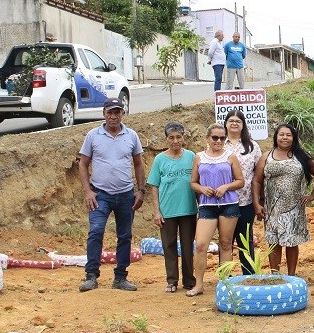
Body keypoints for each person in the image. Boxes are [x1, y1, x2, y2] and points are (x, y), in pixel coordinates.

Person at [77, 97, 145, 292]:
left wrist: (140, 190)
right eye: (110, 112)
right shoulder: (93, 135)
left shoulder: (131, 136)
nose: (113, 116)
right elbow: (83, 163)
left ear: (123, 114)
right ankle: (91, 276)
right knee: (96, 232)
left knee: (125, 236)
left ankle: (121, 277)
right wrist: (88, 191)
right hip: (100, 195)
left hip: (126, 195)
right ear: (104, 114)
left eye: (117, 112)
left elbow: (138, 163)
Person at [187, 124, 245, 297]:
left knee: (226, 244)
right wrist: (202, 189)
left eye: (222, 138)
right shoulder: (199, 157)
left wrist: (226, 186)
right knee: (201, 244)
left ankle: (225, 282)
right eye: (215, 138)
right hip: (207, 206)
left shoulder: (230, 156)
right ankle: (198, 284)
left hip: (228, 204)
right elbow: (193, 182)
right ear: (208, 138)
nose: (218, 141)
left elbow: (240, 181)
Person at [252, 123, 314, 275]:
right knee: (274, 242)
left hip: (294, 208)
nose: (285, 137)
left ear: (293, 138)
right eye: (281, 134)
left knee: (292, 242)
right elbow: (257, 181)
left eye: (288, 135)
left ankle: (291, 275)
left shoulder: (300, 156)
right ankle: (275, 275)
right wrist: (256, 203)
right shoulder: (267, 156)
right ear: (276, 137)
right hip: (272, 208)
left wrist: (313, 195)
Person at [146, 121, 197, 293]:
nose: (175, 141)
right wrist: (156, 211)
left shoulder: (191, 156)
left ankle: (189, 280)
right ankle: (172, 280)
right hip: (167, 211)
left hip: (188, 209)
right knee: (168, 246)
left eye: (178, 137)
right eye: (171, 138)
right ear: (166, 140)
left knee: (188, 245)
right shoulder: (160, 159)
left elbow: (198, 181)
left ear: (183, 138)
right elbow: (154, 185)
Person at [223, 109, 262, 274]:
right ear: (225, 123)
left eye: (238, 121)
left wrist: (259, 200)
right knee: (226, 241)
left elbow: (260, 173)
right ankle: (226, 276)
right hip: (223, 200)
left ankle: (249, 276)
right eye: (231, 120)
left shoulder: (252, 146)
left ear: (243, 125)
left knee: (245, 240)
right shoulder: (218, 143)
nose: (234, 123)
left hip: (246, 201)